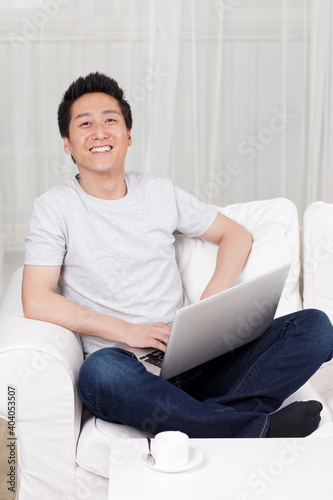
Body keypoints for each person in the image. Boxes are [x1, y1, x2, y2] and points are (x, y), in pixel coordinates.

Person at [22, 72, 333, 438]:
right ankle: (253, 426)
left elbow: (234, 234)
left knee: (314, 327)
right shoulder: (54, 208)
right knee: (100, 374)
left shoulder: (158, 192)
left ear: (128, 135)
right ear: (67, 144)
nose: (100, 132)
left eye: (110, 120)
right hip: (127, 369)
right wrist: (129, 331)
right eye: (85, 124)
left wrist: (211, 302)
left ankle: (203, 421)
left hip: (195, 361)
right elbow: (36, 299)